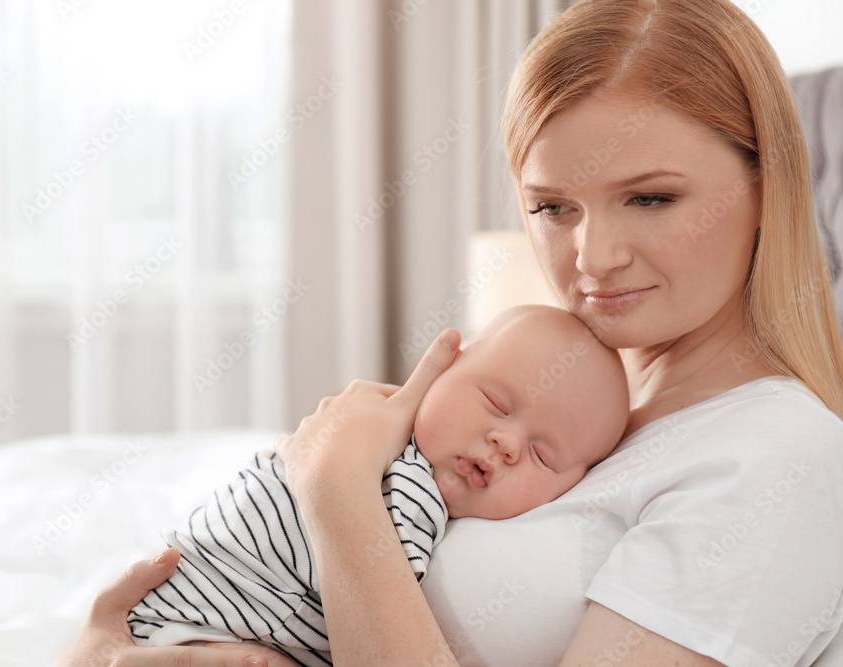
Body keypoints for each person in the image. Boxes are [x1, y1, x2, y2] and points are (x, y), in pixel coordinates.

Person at [56, 0, 843, 665]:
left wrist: (336, 487)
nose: (592, 257)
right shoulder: (595, 406)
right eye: (552, 207)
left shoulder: (784, 458)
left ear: (767, 184)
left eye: (651, 199)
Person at [126, 305, 629, 665]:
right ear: (440, 372)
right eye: (496, 403)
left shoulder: (355, 441)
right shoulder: (407, 488)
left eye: (543, 456)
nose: (506, 443)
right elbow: (377, 607)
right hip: (196, 631)